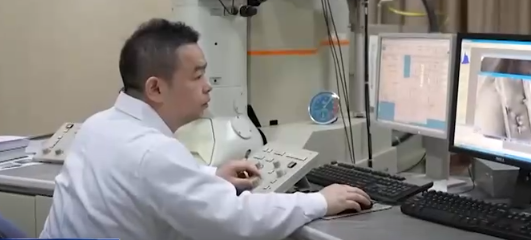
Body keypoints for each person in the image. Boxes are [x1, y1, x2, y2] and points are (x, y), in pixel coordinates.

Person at [40, 18, 371, 240]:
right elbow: (235, 220)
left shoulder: (98, 125)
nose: (207, 85)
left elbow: (142, 180)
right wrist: (320, 201)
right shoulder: (154, 153)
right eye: (197, 75)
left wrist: (210, 176)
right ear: (156, 88)